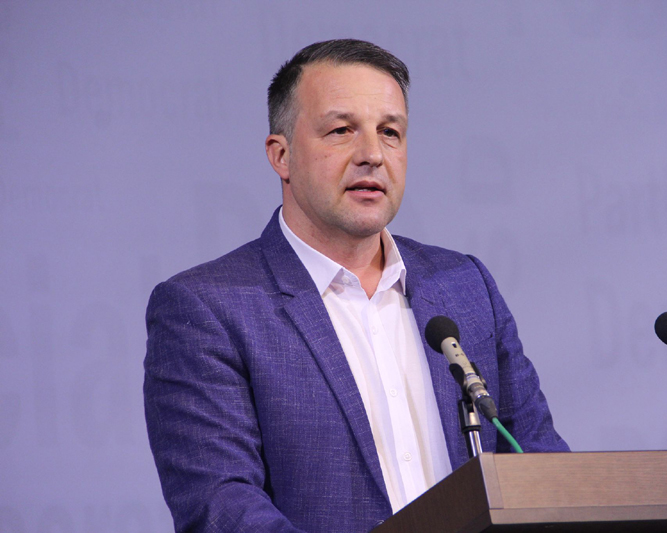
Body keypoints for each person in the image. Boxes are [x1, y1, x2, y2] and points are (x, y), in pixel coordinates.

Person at [143, 39, 568, 533]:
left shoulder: (464, 286)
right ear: (281, 155)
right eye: (341, 130)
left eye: (390, 132)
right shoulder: (208, 309)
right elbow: (222, 507)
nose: (372, 155)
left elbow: (539, 463)